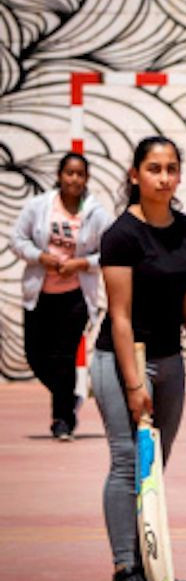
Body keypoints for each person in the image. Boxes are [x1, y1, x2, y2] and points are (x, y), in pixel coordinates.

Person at [92, 136, 186, 581]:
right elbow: (120, 317)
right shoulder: (121, 235)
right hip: (122, 359)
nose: (163, 177)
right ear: (135, 175)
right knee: (127, 462)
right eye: (154, 169)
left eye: (170, 169)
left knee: (154, 469)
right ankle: (125, 568)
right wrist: (132, 381)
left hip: (169, 358)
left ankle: (152, 561)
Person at [11, 153, 113, 441]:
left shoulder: (96, 214)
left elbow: (111, 250)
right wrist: (40, 257)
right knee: (36, 355)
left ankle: (62, 421)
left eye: (80, 174)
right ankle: (69, 398)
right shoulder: (39, 206)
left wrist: (82, 264)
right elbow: (17, 240)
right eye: (69, 173)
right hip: (39, 295)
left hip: (75, 297)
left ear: (87, 179)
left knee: (65, 357)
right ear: (59, 175)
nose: (74, 179)